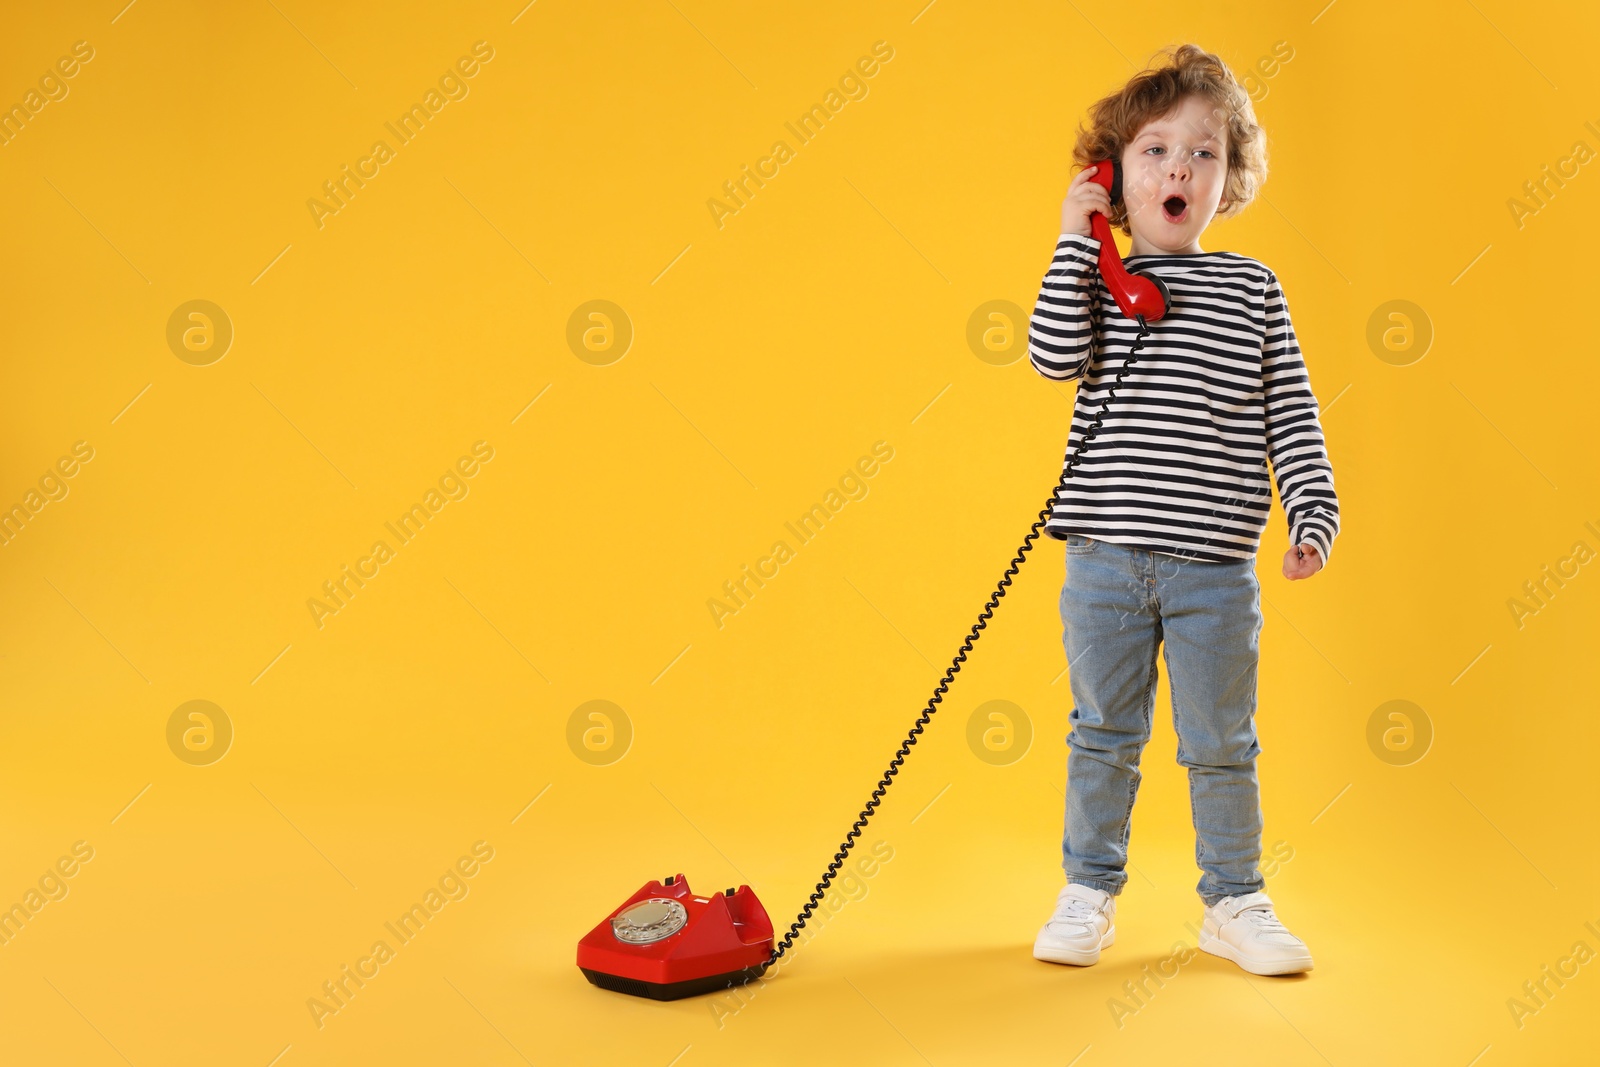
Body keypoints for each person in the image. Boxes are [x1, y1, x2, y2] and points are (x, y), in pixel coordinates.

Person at [1026, 43, 1339, 977]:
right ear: (1112, 179)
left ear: (1229, 178)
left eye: (1203, 154)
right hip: (1104, 560)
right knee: (1103, 734)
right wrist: (1072, 245)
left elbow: (1294, 413)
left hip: (1214, 570)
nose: (1179, 169)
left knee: (1220, 742)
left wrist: (1312, 512)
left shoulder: (1254, 291)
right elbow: (1048, 358)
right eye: (1154, 151)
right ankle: (1088, 888)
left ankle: (1234, 897)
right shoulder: (1098, 283)